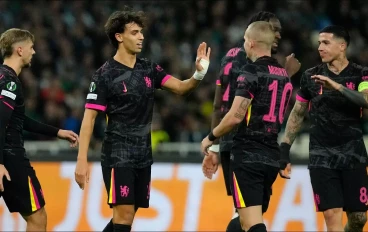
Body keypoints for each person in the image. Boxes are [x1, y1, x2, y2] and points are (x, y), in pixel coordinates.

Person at [74, 6, 211, 232]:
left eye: (141, 32)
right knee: (124, 214)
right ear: (119, 37)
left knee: (128, 215)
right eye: (135, 32)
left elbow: (181, 88)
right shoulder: (105, 74)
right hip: (118, 152)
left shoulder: (148, 68)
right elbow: (88, 119)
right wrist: (81, 160)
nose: (142, 37)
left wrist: (199, 73)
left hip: (143, 153)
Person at [201, 11, 301, 231]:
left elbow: (234, 109)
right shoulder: (277, 71)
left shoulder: (244, 64)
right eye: (274, 30)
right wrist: (287, 74)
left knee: (248, 218)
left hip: (244, 147)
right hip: (254, 146)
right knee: (248, 215)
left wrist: (211, 140)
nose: (278, 36)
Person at [279, 25, 368, 231]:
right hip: (321, 156)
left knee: (359, 218)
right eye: (319, 43)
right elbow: (298, 112)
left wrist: (336, 86)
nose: (320, 47)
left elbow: (365, 101)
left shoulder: (361, 74)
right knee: (331, 214)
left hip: (352, 154)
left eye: (326, 43)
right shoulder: (310, 76)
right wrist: (284, 148)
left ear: (342, 46)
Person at [0, 28, 79, 231]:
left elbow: (17, 119)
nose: (34, 52)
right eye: (31, 47)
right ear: (19, 50)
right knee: (38, 217)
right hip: (10, 158)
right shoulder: (9, 82)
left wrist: (57, 132)